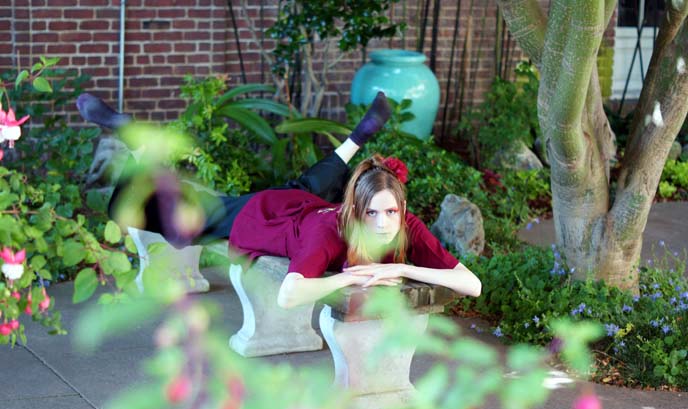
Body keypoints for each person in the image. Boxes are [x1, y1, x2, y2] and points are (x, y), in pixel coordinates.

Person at [77, 92, 481, 308]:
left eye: (391, 211)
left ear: (402, 208)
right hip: (262, 218)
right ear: (354, 211)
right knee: (164, 214)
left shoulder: (404, 225)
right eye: (372, 212)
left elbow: (471, 284)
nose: (383, 222)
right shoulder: (329, 232)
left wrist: (410, 267)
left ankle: (356, 140)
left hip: (299, 203)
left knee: (304, 186)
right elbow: (289, 295)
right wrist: (351, 276)